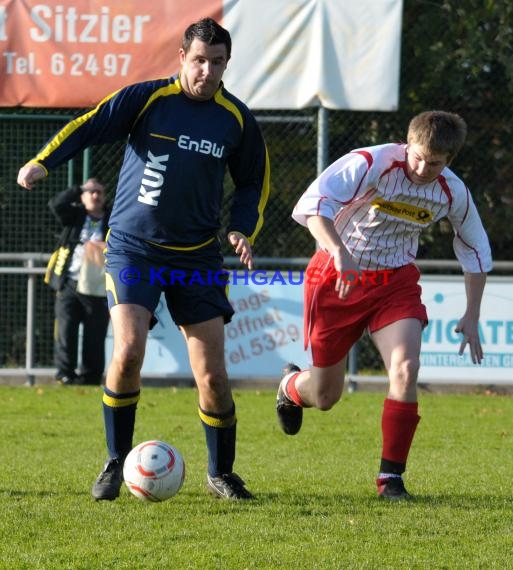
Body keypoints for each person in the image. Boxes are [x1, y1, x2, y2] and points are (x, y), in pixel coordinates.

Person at [17, 18, 270, 501]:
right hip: (134, 248)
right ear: (182, 58)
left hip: (197, 258)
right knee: (128, 350)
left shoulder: (235, 119)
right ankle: (116, 461)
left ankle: (221, 473)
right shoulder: (148, 99)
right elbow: (89, 125)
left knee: (214, 376)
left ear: (226, 64)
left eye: (216, 63)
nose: (207, 72)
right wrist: (44, 160)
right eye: (199, 60)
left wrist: (241, 226)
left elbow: (255, 182)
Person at [276, 111, 492, 500]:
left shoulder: (452, 191)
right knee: (325, 397)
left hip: (394, 283)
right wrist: (339, 252)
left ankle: (390, 478)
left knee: (406, 369)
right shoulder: (370, 162)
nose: (424, 168)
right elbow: (313, 207)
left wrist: (472, 313)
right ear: (408, 144)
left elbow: (475, 249)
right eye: (419, 157)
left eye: (436, 163)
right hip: (337, 277)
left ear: (449, 161)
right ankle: (290, 386)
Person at [45, 178, 110, 386]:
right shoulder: (74, 216)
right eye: (90, 192)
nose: (95, 195)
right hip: (70, 284)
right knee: (66, 331)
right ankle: (65, 374)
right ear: (82, 196)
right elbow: (55, 204)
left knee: (95, 335)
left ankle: (91, 377)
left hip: (98, 287)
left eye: (99, 192)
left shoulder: (112, 219)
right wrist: (79, 188)